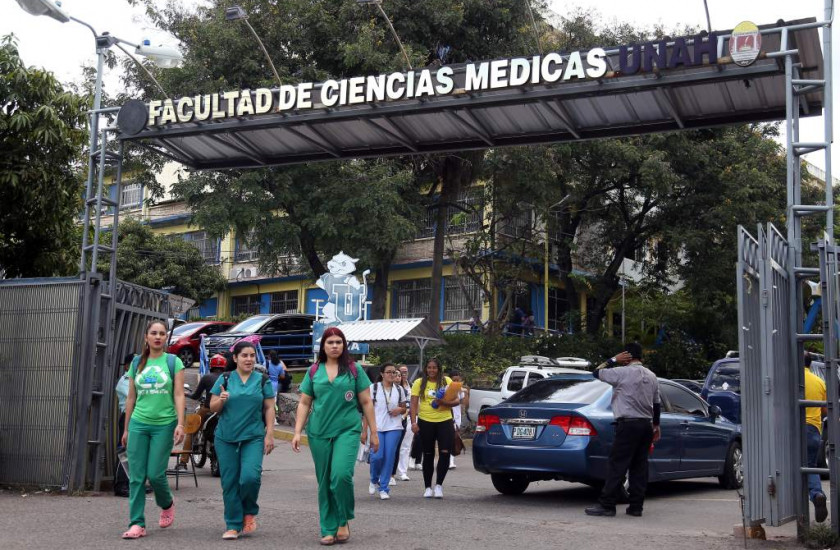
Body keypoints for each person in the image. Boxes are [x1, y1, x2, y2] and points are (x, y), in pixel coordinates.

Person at [292, 327, 378, 546]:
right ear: (323, 346)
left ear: (344, 345)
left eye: (338, 342)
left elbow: (366, 402)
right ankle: (328, 528)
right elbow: (304, 402)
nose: (334, 346)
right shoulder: (314, 370)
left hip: (347, 430)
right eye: (330, 342)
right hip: (318, 432)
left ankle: (343, 519)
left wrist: (373, 433)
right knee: (324, 482)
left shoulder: (354, 369)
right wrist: (297, 431)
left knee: (340, 476)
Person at [121, 320, 186, 539]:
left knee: (155, 475)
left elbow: (179, 394)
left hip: (164, 424)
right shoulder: (136, 362)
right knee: (136, 477)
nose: (158, 337)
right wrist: (126, 428)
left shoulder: (173, 362)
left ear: (166, 338)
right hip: (138, 423)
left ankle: (166, 503)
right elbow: (131, 397)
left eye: (162, 333)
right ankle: (137, 523)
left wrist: (180, 423)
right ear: (146, 337)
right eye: (154, 333)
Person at [209, 340, 276, 540]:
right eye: (244, 355)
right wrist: (221, 399)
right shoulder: (225, 378)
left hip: (253, 437)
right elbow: (212, 407)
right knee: (229, 482)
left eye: (252, 355)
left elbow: (269, 407)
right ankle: (233, 524)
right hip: (225, 437)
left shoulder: (262, 380)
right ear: (235, 358)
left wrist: (270, 434)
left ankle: (249, 511)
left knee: (250, 478)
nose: (248, 359)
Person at [585, 343, 660, 518]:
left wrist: (613, 359)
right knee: (639, 467)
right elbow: (656, 403)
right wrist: (656, 425)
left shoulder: (620, 372)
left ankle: (607, 505)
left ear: (625, 356)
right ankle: (636, 507)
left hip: (628, 425)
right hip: (646, 425)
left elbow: (596, 372)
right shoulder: (652, 376)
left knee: (617, 465)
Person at [410, 358, 459, 499]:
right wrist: (413, 422)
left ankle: (438, 486)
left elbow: (457, 401)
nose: (432, 370)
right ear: (426, 369)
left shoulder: (447, 381)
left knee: (444, 453)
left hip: (445, 421)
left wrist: (443, 402)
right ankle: (427, 487)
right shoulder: (419, 382)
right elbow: (413, 404)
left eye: (434, 368)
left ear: (439, 369)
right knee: (428, 454)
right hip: (425, 421)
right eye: (429, 367)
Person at [362, 364, 407, 499]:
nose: (392, 375)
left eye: (394, 372)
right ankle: (374, 479)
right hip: (377, 428)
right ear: (382, 374)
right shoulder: (373, 388)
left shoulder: (399, 389)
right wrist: (364, 431)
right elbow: (366, 411)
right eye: (389, 372)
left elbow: (404, 408)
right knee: (377, 456)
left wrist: (400, 410)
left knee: (389, 457)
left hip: (394, 427)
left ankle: (384, 488)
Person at [178, 353, 226, 468]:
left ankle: (183, 462)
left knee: (190, 432)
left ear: (211, 365)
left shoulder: (206, 377)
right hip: (224, 410)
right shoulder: (228, 377)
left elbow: (196, 396)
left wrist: (186, 394)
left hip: (207, 409)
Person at [804, 352, 828, 523]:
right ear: (810, 364)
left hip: (792, 430)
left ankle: (789, 507)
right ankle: (817, 494)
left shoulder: (790, 381)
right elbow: (825, 410)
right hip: (813, 429)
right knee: (809, 466)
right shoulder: (819, 381)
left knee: (787, 467)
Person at [114, 353, 135, 497]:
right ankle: (121, 485)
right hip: (128, 416)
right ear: (127, 366)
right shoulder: (125, 380)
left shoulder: (137, 379)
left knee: (134, 452)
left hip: (137, 417)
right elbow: (133, 398)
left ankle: (131, 484)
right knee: (125, 450)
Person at [394, 364, 414, 481]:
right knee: (394, 446)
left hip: (409, 418)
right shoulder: (394, 388)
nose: (403, 374)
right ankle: (390, 472)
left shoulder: (411, 385)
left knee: (406, 446)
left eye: (405, 372)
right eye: (401, 372)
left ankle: (403, 471)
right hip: (396, 419)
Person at [448, 369, 467, 470]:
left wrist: (466, 392)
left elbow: (464, 403)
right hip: (449, 417)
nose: (456, 382)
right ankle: (449, 461)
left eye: (457, 380)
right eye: (454, 380)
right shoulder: (447, 389)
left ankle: (451, 460)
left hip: (457, 416)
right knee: (450, 438)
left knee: (455, 438)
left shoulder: (460, 390)